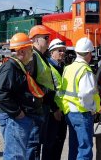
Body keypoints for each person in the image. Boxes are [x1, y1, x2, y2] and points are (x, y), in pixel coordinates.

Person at [0, 33, 46, 159]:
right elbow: (0, 93)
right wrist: (17, 112)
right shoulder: (10, 67)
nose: (32, 53)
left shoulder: (17, 65)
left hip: (17, 118)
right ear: (22, 51)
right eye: (30, 49)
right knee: (15, 156)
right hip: (14, 118)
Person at [61, 37, 100, 160]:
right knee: (85, 150)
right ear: (89, 53)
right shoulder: (85, 69)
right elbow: (85, 95)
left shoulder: (68, 68)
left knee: (74, 147)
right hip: (82, 113)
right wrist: (93, 108)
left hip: (69, 112)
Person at [28, 25, 58, 160]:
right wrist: (46, 91)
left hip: (43, 106)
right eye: (46, 38)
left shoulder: (41, 57)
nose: (48, 40)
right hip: (37, 108)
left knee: (37, 144)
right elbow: (30, 82)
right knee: (33, 145)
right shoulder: (33, 56)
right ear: (35, 39)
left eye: (49, 37)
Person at [42, 38, 68, 160]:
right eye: (59, 50)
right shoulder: (48, 68)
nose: (62, 53)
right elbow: (47, 92)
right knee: (50, 145)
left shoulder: (63, 67)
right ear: (51, 52)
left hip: (62, 112)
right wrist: (54, 109)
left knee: (59, 144)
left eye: (64, 50)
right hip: (53, 113)